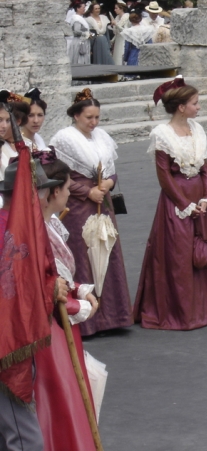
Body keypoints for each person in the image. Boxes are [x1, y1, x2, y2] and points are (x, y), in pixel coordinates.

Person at [133, 77, 207, 330]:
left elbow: (205, 168)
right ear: (181, 107)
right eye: (195, 103)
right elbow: (164, 176)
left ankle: (203, 309)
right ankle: (179, 312)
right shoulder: (162, 135)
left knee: (200, 251)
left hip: (198, 199)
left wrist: (205, 198)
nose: (198, 107)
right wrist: (185, 204)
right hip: (176, 202)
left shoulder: (197, 130)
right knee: (179, 254)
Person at [50, 89, 133, 336]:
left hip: (103, 203)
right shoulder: (63, 140)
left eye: (97, 117)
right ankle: (88, 320)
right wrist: (87, 192)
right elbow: (60, 177)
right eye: (89, 117)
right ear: (76, 115)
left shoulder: (102, 137)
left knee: (108, 253)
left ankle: (114, 315)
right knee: (85, 256)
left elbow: (111, 171)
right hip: (79, 207)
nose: (94, 123)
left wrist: (108, 184)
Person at [0, 159, 68, 451]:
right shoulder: (10, 230)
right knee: (26, 440)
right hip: (7, 344)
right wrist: (51, 288)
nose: (43, 197)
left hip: (12, 339)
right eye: (40, 191)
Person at [34, 153, 99, 451]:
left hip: (63, 325)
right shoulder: (38, 235)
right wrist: (81, 307)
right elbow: (44, 290)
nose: (72, 188)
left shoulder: (52, 226)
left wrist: (80, 288)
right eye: (68, 184)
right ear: (53, 192)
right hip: (53, 333)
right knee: (60, 397)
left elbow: (61, 279)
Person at [0, 92, 32, 177]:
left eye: (8, 120)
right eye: (0, 120)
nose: (4, 126)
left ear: (18, 121)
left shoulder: (28, 144)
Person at [67, 1, 90, 65]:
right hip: (79, 41)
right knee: (79, 60)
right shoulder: (77, 19)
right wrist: (86, 34)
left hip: (82, 40)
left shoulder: (81, 18)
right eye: (83, 7)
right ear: (78, 8)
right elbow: (76, 30)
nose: (84, 9)